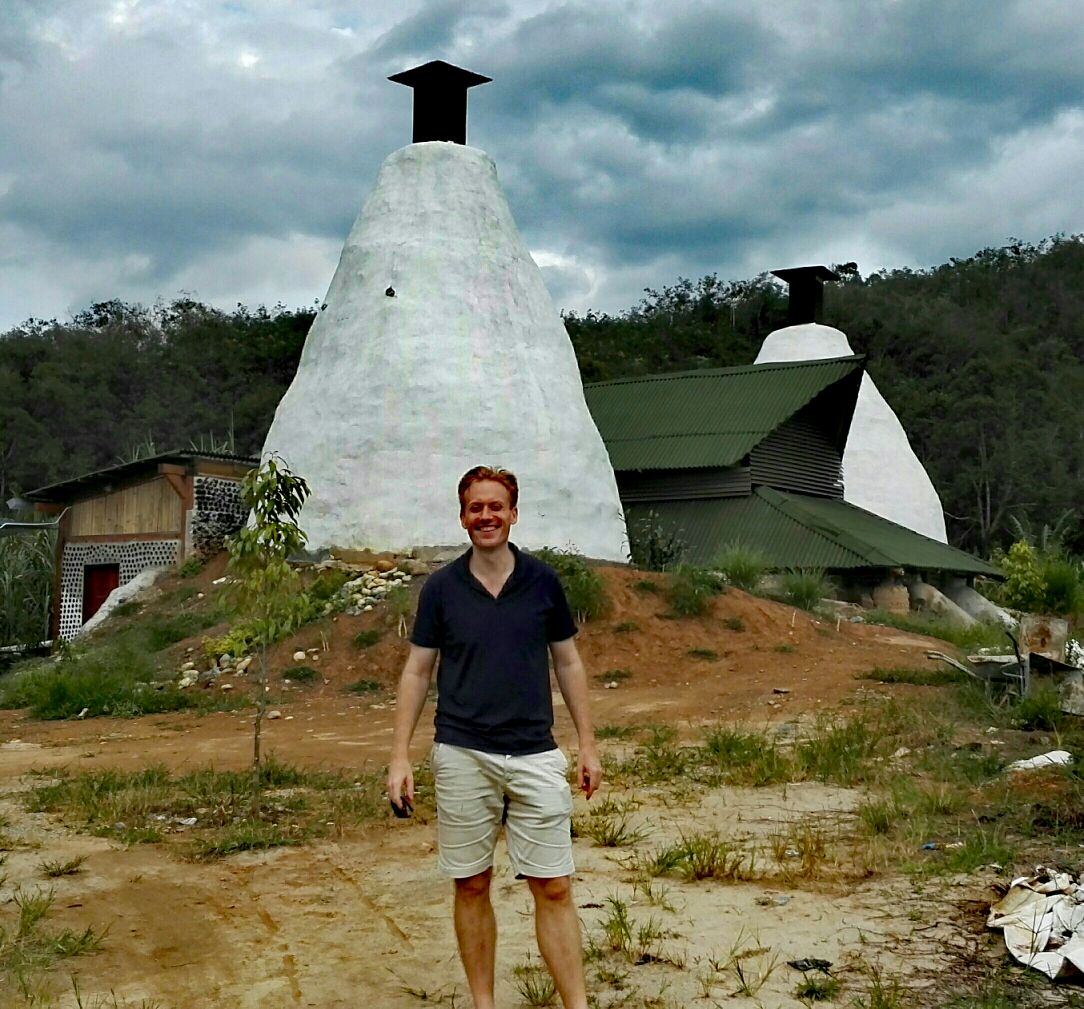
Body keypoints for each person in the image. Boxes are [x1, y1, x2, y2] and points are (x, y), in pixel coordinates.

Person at [387, 465, 602, 1009]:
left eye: (495, 506)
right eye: (475, 507)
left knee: (553, 885)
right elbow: (416, 671)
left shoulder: (543, 582)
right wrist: (399, 757)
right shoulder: (440, 590)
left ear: (513, 512)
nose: (486, 516)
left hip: (535, 752)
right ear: (463, 517)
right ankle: (484, 1003)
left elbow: (569, 662)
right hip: (462, 752)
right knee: (471, 883)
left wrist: (588, 744)